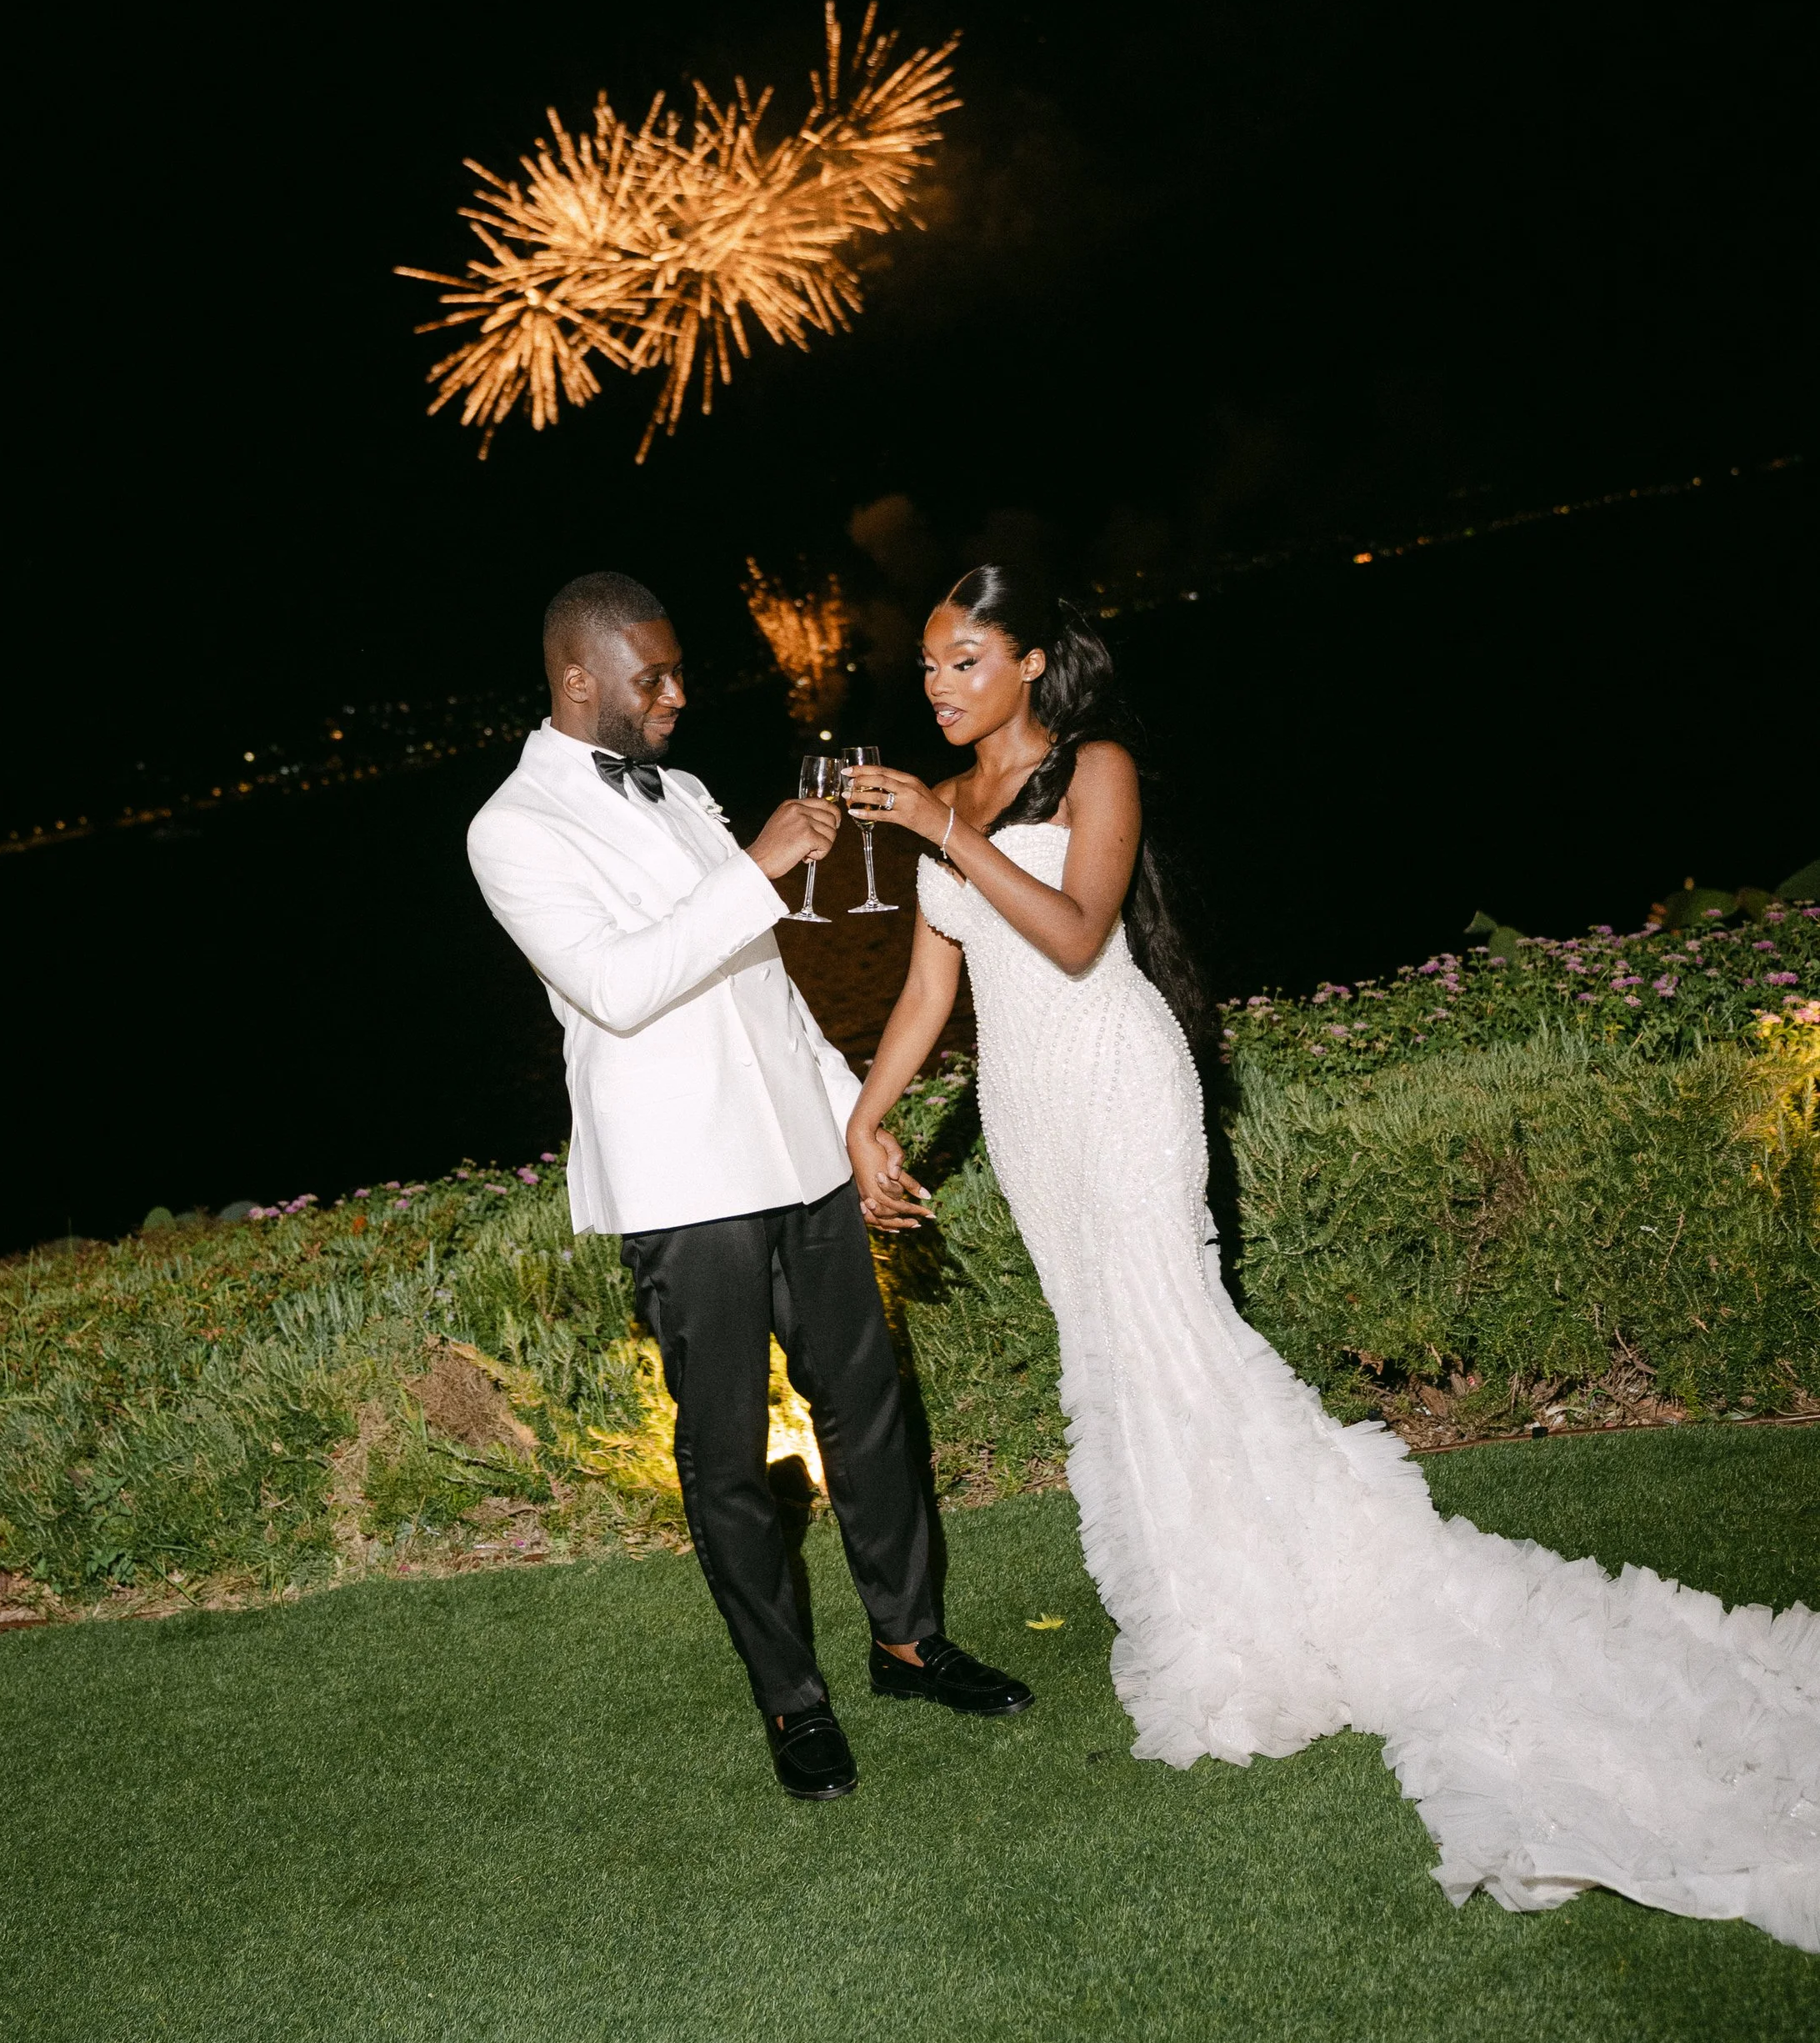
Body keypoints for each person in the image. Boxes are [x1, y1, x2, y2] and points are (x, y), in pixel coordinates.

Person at [842, 562, 1820, 1951]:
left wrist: (945, 823)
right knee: (1113, 1355)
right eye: (929, 666)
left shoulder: (1094, 767)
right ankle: (1207, 1591)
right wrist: (865, 1118)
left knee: (1176, 1333)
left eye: (963, 661)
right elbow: (937, 980)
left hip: (1119, 1086)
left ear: (1034, 664)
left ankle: (1271, 1609)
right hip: (1032, 1121)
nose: (937, 687)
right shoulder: (953, 818)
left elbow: (1068, 938)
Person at [467, 569, 1031, 1800]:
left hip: (793, 1148)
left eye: (676, 671)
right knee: (727, 1452)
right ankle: (793, 1704)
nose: (679, 693)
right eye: (652, 677)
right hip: (681, 1183)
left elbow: (766, 986)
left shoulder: (684, 789)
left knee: (868, 1398)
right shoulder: (511, 828)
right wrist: (762, 863)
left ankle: (909, 1638)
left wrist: (852, 1118)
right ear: (580, 680)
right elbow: (618, 987)